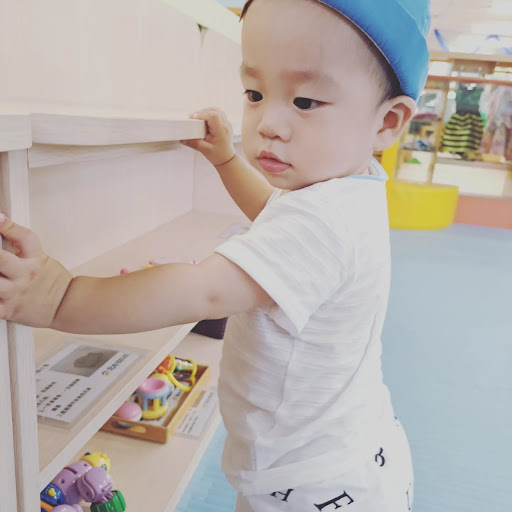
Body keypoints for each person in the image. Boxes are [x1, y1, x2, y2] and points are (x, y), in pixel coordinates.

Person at [0, 0, 431, 510]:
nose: (267, 123)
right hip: (355, 447)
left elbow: (201, 289)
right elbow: (273, 214)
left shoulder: (322, 223)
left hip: (309, 484)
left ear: (388, 122)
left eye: (305, 101)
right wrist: (227, 161)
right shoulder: (349, 189)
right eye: (255, 93)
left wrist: (59, 297)